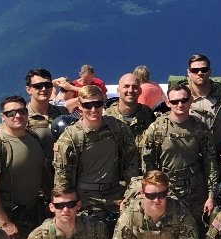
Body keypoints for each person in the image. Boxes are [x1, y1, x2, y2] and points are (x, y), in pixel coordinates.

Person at [53, 85, 140, 216]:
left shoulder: (117, 127)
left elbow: (131, 163)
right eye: (88, 105)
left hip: (116, 195)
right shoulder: (70, 137)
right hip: (85, 200)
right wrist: (69, 206)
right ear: (80, 106)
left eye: (98, 104)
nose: (94, 109)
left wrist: (130, 195)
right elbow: (62, 179)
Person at [140, 84, 218, 227]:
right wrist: (152, 192)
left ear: (191, 100)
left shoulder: (200, 128)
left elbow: (210, 162)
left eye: (184, 100)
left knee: (197, 230)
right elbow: (147, 162)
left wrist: (210, 195)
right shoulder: (156, 128)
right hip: (167, 190)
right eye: (175, 101)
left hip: (195, 189)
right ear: (168, 103)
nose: (180, 105)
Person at [0, 95, 47, 239]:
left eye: (22, 111)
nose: (17, 116)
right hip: (10, 220)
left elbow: (41, 174)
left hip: (35, 215)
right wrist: (5, 223)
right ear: (3, 117)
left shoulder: (33, 138)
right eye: (11, 113)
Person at [184, 53, 221, 168]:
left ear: (210, 71)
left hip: (219, 156)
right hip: (190, 156)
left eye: (203, 69)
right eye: (195, 70)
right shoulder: (181, 95)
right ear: (188, 73)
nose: (200, 73)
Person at [106, 72, 156, 147]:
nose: (130, 90)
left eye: (135, 87)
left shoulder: (148, 114)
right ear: (118, 90)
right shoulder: (107, 117)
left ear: (140, 91)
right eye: (126, 86)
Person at [24, 67, 62, 159]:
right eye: (38, 86)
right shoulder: (20, 117)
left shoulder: (62, 112)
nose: (44, 89)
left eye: (47, 85)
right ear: (28, 89)